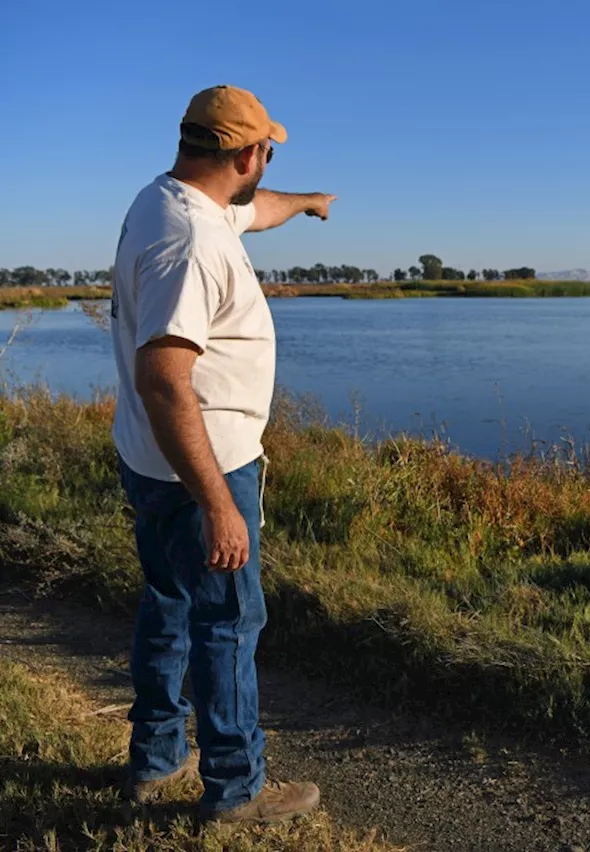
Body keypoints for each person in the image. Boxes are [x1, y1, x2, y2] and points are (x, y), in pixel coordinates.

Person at [110, 84, 337, 824]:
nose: (267, 161)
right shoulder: (194, 243)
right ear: (247, 154)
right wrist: (217, 505)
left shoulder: (166, 202)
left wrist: (303, 202)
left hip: (150, 459)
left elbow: (251, 209)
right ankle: (236, 790)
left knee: (169, 606)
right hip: (202, 466)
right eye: (266, 150)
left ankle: (155, 758)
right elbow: (165, 378)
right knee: (228, 624)